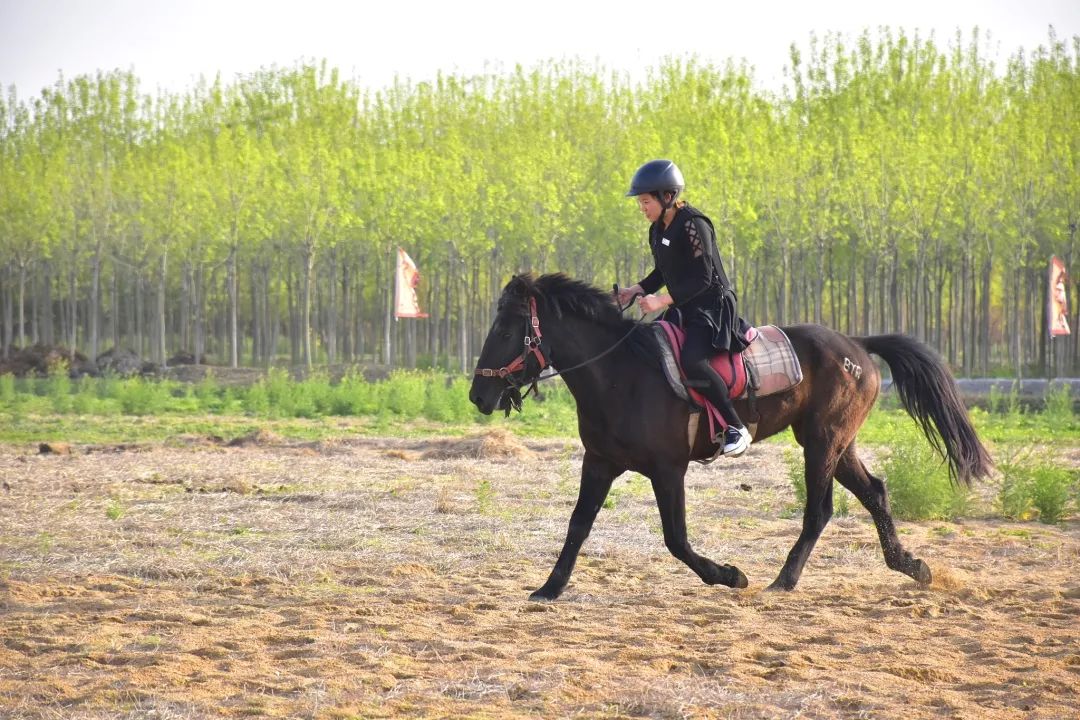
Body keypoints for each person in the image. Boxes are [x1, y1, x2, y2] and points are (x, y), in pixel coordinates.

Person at [617, 159, 753, 456]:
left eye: (645, 201)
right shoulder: (656, 229)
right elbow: (662, 272)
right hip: (686, 306)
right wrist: (636, 290)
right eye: (640, 202)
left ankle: (736, 427)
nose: (641, 208)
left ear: (667, 196)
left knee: (693, 361)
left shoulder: (694, 224)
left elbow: (703, 279)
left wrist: (660, 301)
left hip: (712, 307)